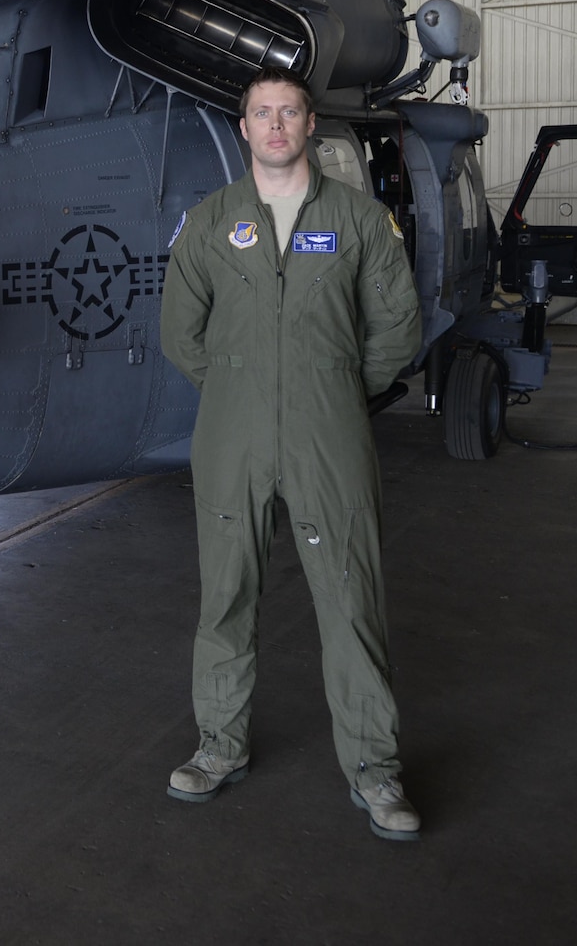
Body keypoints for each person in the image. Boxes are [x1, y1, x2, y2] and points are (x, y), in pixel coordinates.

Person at [158, 68, 424, 841]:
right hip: (231, 436)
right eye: (262, 112)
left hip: (328, 438)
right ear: (244, 128)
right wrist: (246, 386)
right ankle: (219, 746)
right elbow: (182, 334)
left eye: (290, 111)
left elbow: (396, 332)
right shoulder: (209, 224)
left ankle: (375, 770)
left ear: (311, 125)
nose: (276, 124)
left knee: (352, 600)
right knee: (226, 598)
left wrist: (331, 385)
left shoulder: (360, 221)